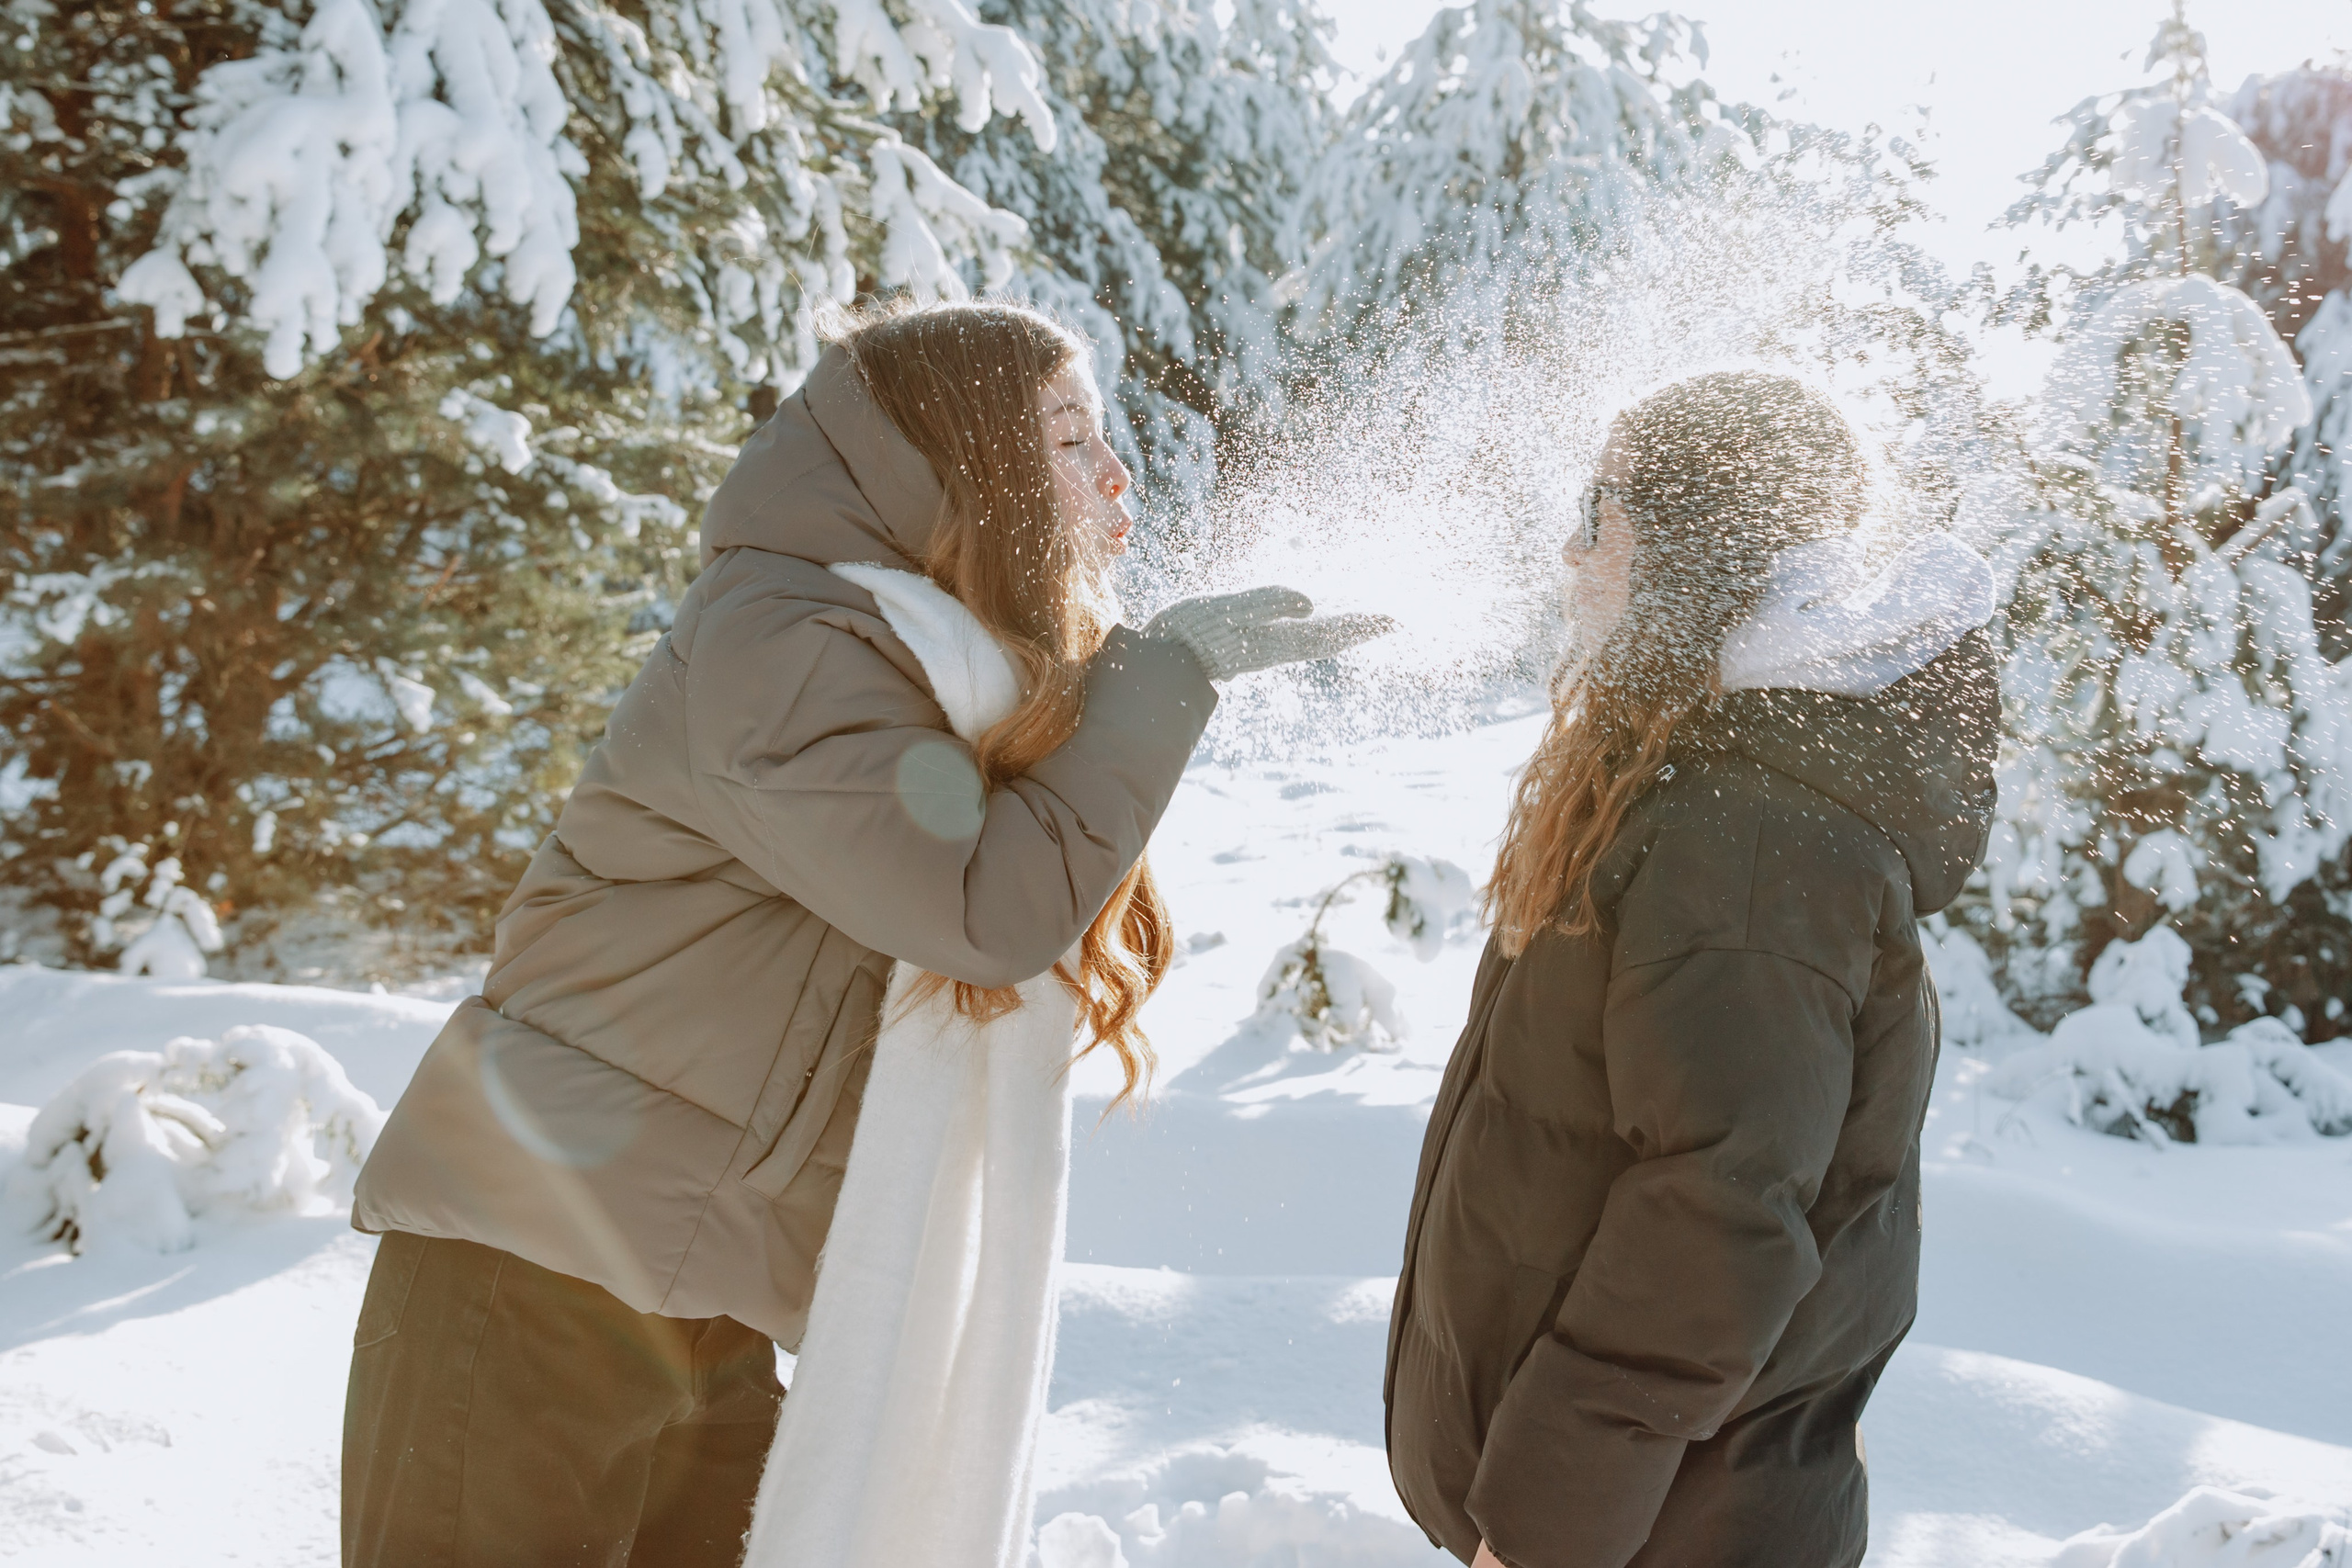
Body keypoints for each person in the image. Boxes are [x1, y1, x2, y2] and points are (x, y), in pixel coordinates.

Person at [340, 298, 1386, 1568]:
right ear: (966, 462)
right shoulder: (783, 642)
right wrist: (1155, 685)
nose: (1113, 475)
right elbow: (977, 909)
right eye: (1065, 440)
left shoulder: (906, 658)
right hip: (532, 1269)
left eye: (1106, 438)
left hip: (697, 1292)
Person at [1385, 371, 1998, 1568]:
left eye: (1596, 513)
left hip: (1655, 1528)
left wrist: (1550, 1522)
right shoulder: (1707, 773)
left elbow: (1716, 1217)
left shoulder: (1752, 830)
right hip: (1642, 1515)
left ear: (1686, 545)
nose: (1574, 555)